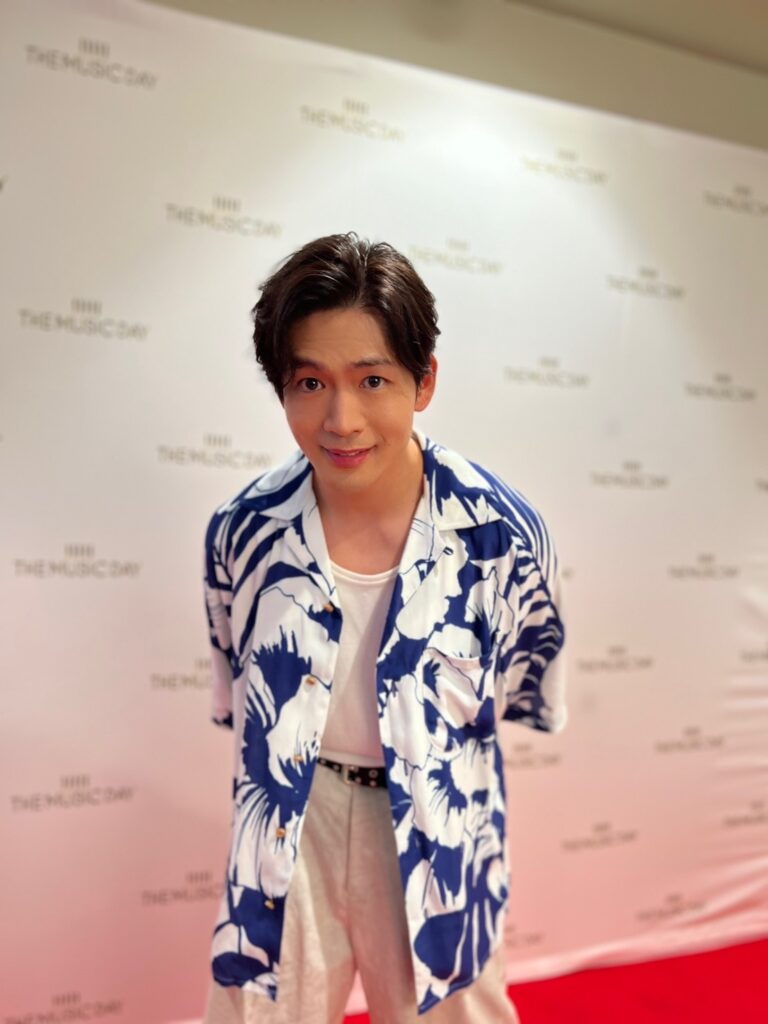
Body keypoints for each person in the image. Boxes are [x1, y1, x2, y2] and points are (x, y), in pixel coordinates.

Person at [201, 233, 567, 1024]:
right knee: (255, 1010)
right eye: (310, 382)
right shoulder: (243, 531)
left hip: (441, 819)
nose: (342, 419)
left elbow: (522, 678)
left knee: (453, 1009)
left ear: (423, 380)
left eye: (372, 380)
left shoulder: (502, 534)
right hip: (291, 817)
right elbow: (237, 676)